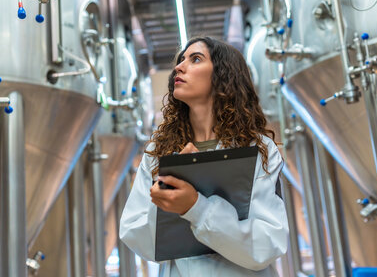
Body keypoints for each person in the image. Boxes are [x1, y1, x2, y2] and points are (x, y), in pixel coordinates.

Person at [119, 36, 288, 276]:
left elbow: (267, 245)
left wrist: (195, 207)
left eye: (195, 59)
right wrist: (167, 195)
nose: (179, 66)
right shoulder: (159, 151)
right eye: (181, 60)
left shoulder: (257, 148)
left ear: (223, 76)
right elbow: (136, 236)